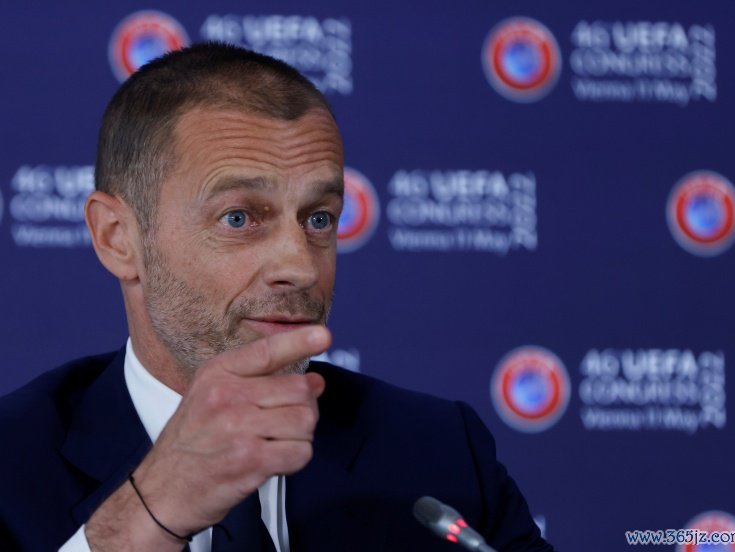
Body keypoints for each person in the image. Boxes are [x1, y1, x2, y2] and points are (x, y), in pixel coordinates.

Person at [0, 43, 554, 551]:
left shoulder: (440, 453)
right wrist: (150, 510)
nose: (300, 267)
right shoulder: (11, 462)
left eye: (319, 219)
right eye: (239, 217)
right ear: (118, 238)